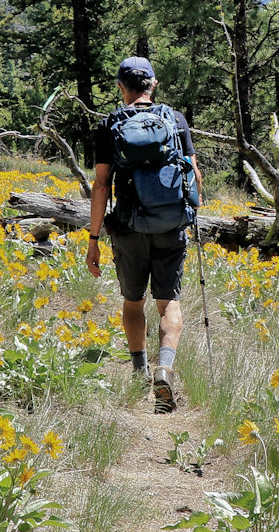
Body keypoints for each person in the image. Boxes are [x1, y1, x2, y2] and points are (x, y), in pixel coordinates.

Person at [85, 56, 201, 413]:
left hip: (130, 228)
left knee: (133, 302)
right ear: (153, 85)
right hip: (170, 226)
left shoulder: (110, 125)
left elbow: (102, 186)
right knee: (169, 301)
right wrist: (191, 216)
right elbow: (194, 175)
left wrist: (93, 239)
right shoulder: (175, 120)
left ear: (121, 87)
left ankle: (139, 372)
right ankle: (164, 368)